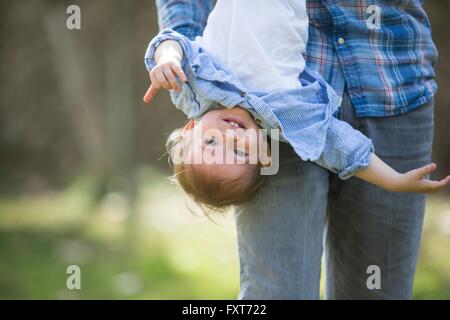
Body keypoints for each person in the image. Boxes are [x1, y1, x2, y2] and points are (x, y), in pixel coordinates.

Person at [148, 0, 442, 299]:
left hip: (394, 76)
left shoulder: (196, 84)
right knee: (287, 291)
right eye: (239, 153)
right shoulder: (287, 113)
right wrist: (394, 179)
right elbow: (342, 147)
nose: (229, 137)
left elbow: (172, 43)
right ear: (264, 155)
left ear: (191, 129)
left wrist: (167, 56)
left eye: (211, 142)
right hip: (369, 73)